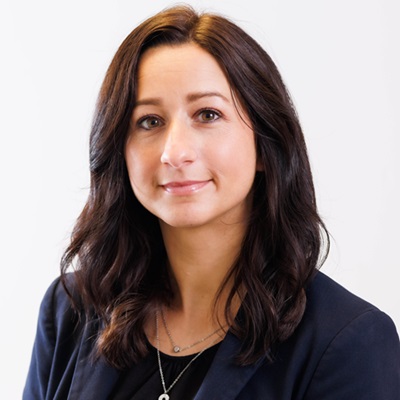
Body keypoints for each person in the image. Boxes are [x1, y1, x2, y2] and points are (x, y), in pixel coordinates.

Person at [24, 5, 400, 399]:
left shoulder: (347, 342)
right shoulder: (70, 310)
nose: (175, 152)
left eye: (207, 114)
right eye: (149, 121)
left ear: (266, 145)